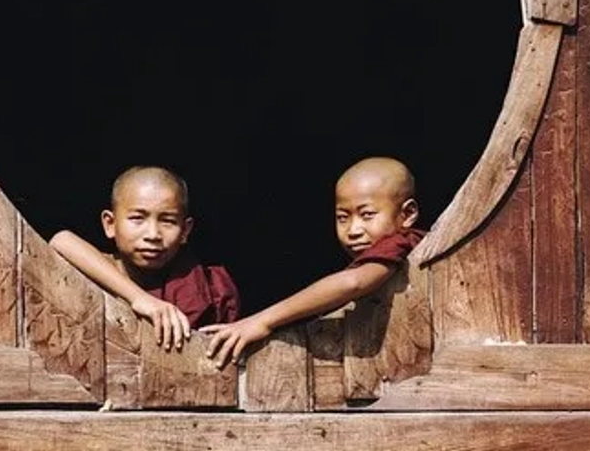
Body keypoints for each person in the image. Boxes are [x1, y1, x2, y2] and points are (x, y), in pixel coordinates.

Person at [202, 156, 423, 367]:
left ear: (408, 214)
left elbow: (353, 283)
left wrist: (263, 320)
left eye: (367, 215)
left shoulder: (400, 243)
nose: (353, 230)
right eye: (342, 217)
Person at [50, 165, 240, 351]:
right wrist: (140, 298)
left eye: (168, 221)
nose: (153, 234)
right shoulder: (95, 268)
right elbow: (61, 240)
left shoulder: (211, 287)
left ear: (185, 230)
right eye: (137, 218)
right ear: (110, 224)